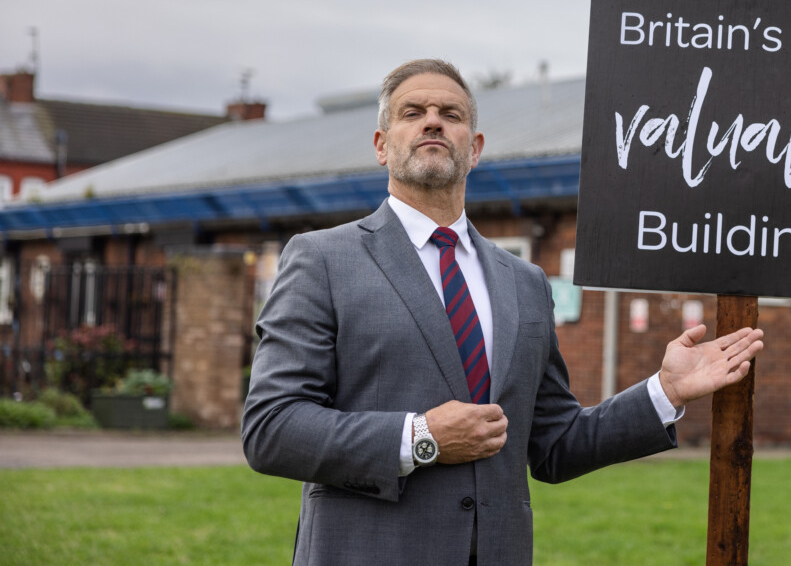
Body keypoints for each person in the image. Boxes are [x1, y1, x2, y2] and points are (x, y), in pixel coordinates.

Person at [242, 59, 764, 566]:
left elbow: (555, 443)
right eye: (411, 112)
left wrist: (663, 392)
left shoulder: (524, 282)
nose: (432, 121)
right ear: (382, 146)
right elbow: (272, 427)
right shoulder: (322, 259)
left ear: (476, 148)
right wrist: (420, 438)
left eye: (451, 114)